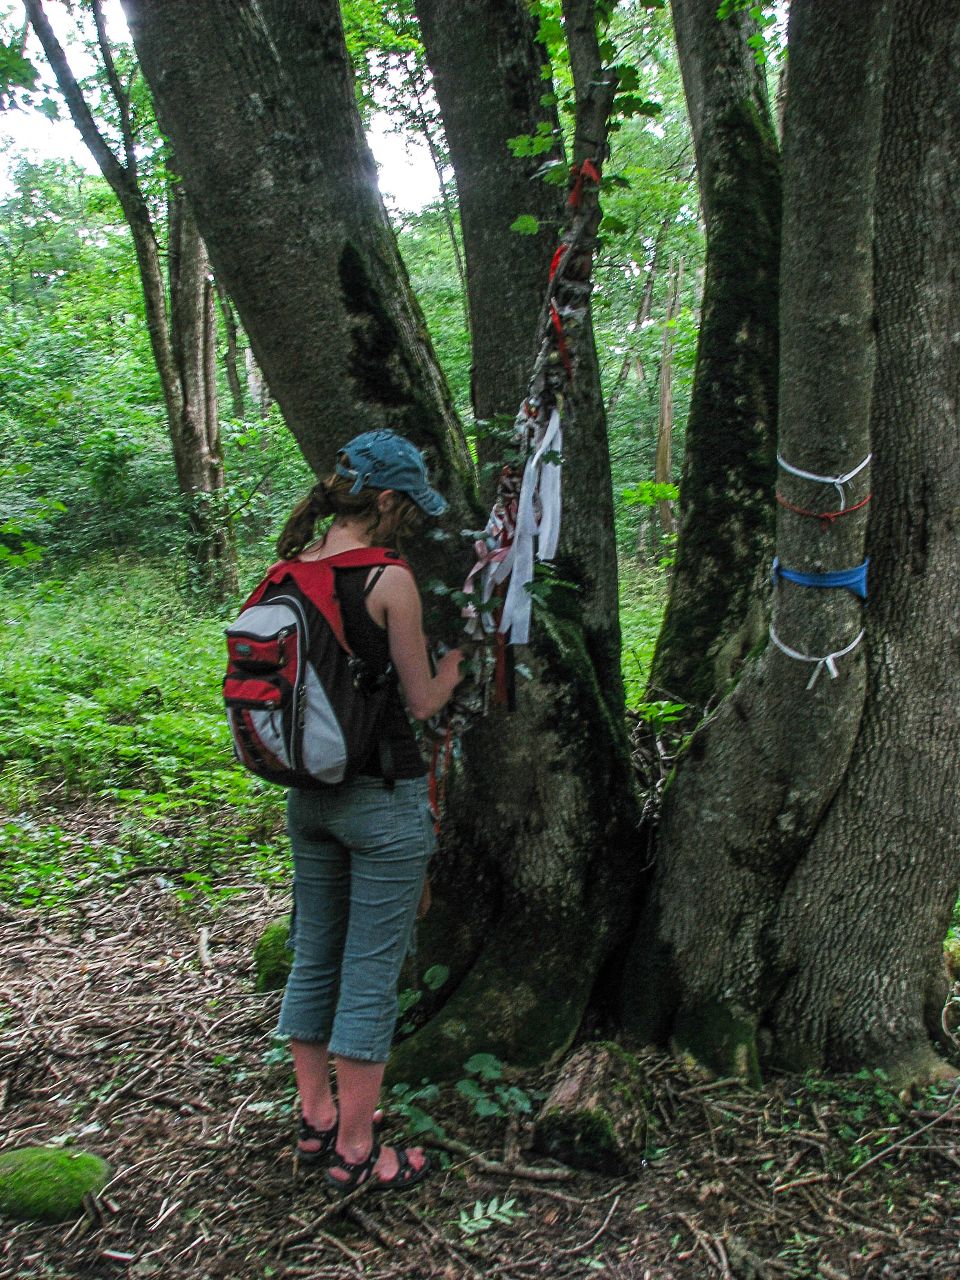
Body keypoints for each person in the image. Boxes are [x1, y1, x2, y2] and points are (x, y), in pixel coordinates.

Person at [273, 429, 464, 1193]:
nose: (411, 520)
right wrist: (456, 665)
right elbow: (421, 701)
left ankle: (315, 1119)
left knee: (314, 954)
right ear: (385, 499)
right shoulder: (389, 578)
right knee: (371, 972)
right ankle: (358, 1152)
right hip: (381, 803)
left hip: (307, 800)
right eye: (407, 505)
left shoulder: (285, 571)